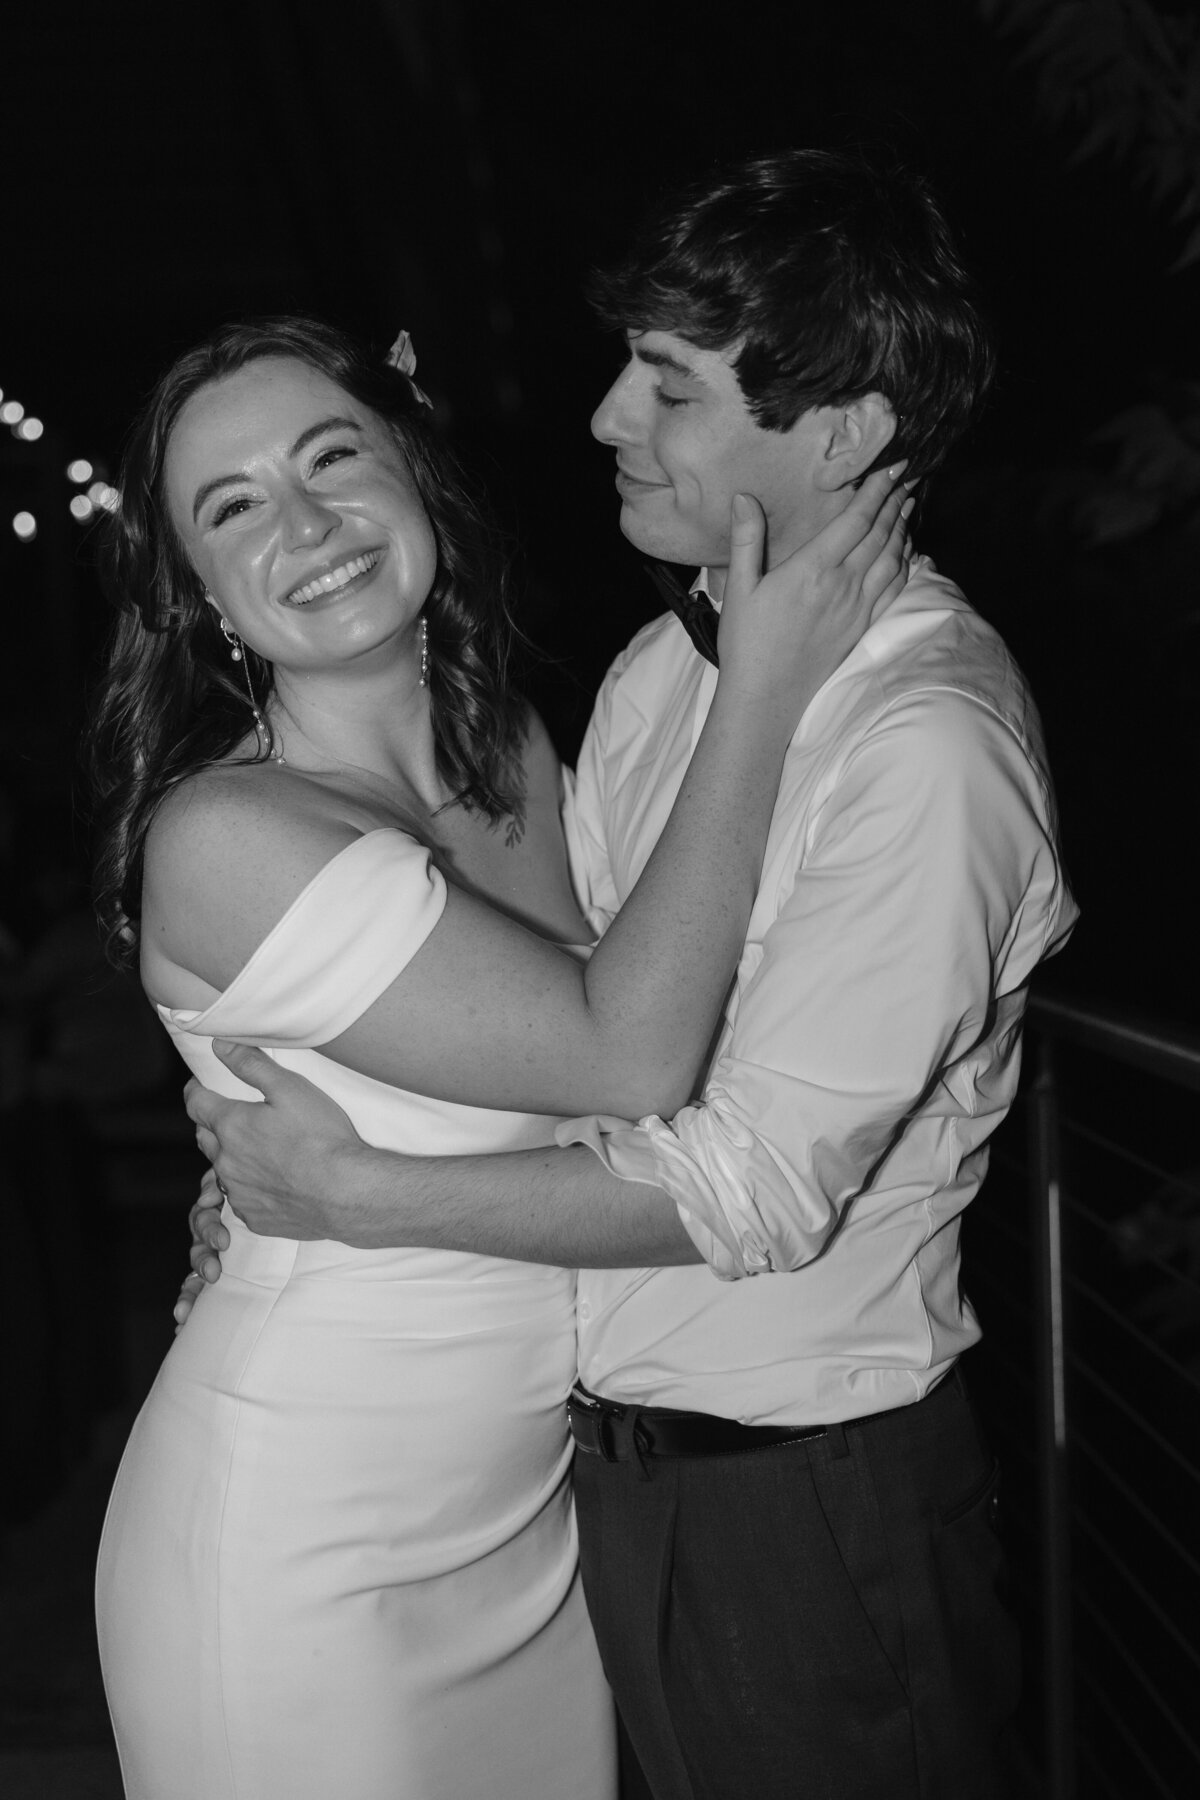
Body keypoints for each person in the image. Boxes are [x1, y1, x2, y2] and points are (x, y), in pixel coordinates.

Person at [183, 150, 1079, 1799]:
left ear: (841, 433)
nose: (605, 416)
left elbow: (746, 1186)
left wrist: (361, 1194)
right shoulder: (670, 667)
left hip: (813, 1505)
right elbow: (567, 1012)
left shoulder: (928, 743)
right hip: (596, 1481)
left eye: (666, 385)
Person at [89, 311, 910, 1800]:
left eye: (332, 456)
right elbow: (629, 1054)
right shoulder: (225, 835)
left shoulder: (519, 755)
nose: (309, 523)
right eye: (234, 507)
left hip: (534, 1514)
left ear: (412, 469)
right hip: (307, 1537)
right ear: (200, 597)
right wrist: (766, 682)